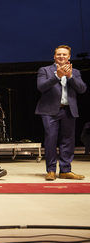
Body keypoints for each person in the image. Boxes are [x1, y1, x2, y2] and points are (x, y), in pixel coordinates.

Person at [35, 45, 87, 181]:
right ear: (54, 56)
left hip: (69, 110)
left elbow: (82, 89)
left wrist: (70, 76)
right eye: (59, 54)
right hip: (49, 111)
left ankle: (65, 170)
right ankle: (51, 170)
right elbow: (41, 87)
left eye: (64, 54)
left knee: (68, 141)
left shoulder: (75, 72)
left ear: (69, 57)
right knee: (51, 139)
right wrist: (57, 76)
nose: (61, 57)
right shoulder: (44, 70)